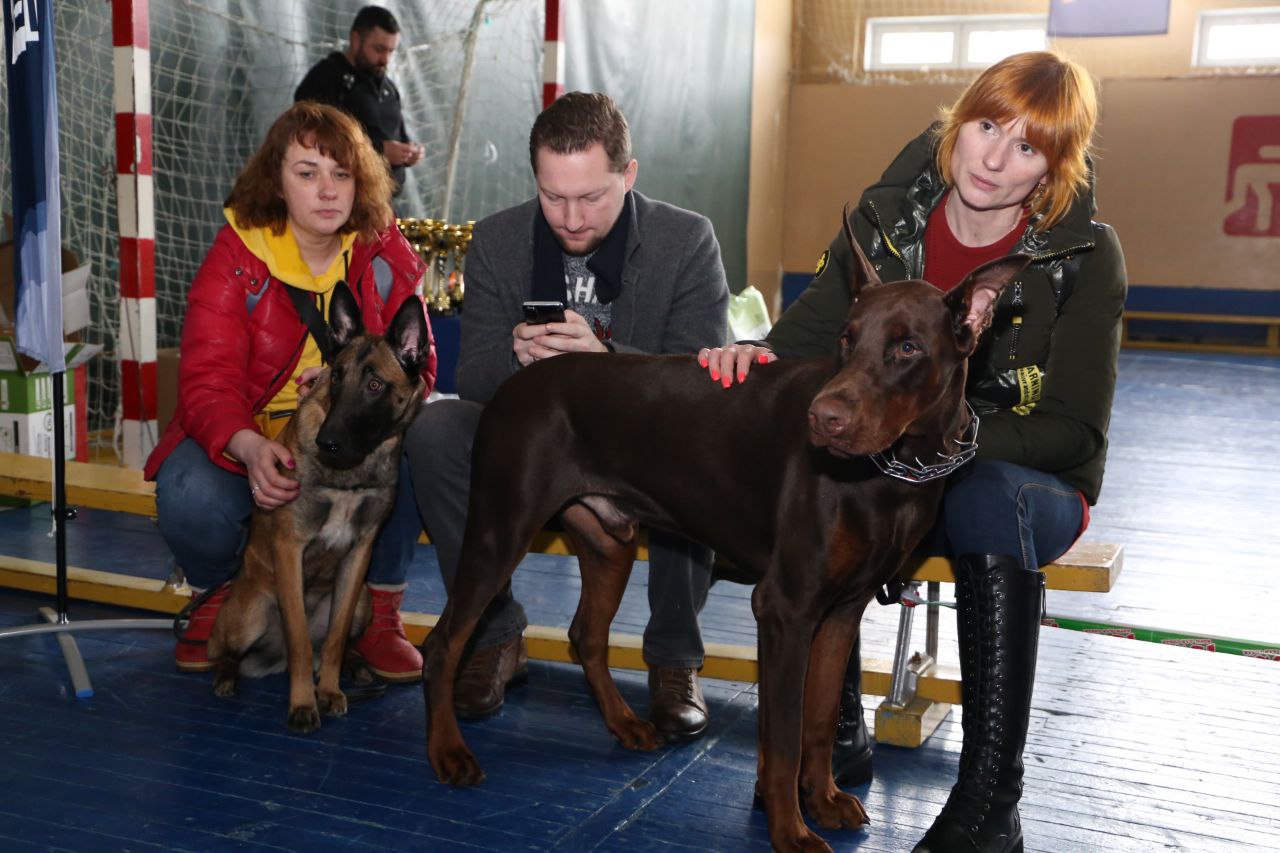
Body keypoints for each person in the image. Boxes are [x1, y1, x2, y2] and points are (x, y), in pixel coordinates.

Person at [699, 52, 1126, 852]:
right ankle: (835, 727)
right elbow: (801, 351)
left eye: (1028, 148)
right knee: (817, 468)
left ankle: (990, 797)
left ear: (1053, 169)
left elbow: (1078, 432)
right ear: (956, 122)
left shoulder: (1085, 257)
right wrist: (746, 353)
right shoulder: (886, 221)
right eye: (987, 126)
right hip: (897, 472)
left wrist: (938, 436)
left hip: (1025, 481)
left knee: (976, 493)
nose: (995, 158)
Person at [403, 92, 730, 739]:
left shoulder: (687, 239)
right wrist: (519, 357)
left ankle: (673, 657)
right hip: (539, 450)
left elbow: (700, 386)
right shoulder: (498, 238)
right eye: (554, 198)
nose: (572, 217)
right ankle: (496, 635)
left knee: (704, 455)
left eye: (592, 197)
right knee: (436, 430)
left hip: (650, 451)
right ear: (536, 180)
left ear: (628, 175)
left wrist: (603, 360)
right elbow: (472, 379)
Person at [144, 101, 437, 684]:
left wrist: (361, 395)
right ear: (277, 183)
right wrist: (249, 446)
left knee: (427, 443)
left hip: (354, 429)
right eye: (307, 173)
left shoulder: (383, 254)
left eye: (342, 174)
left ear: (362, 182)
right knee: (187, 491)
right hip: (257, 430)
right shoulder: (237, 258)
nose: (327, 190)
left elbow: (421, 370)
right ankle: (225, 591)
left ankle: (378, 609)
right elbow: (206, 382)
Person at [295, 5, 424, 192]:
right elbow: (314, 140)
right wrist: (379, 149)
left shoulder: (387, 87)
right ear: (356, 40)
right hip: (338, 203)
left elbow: (398, 134)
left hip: (384, 203)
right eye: (379, 49)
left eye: (390, 51)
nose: (385, 59)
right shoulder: (326, 77)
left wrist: (409, 151)